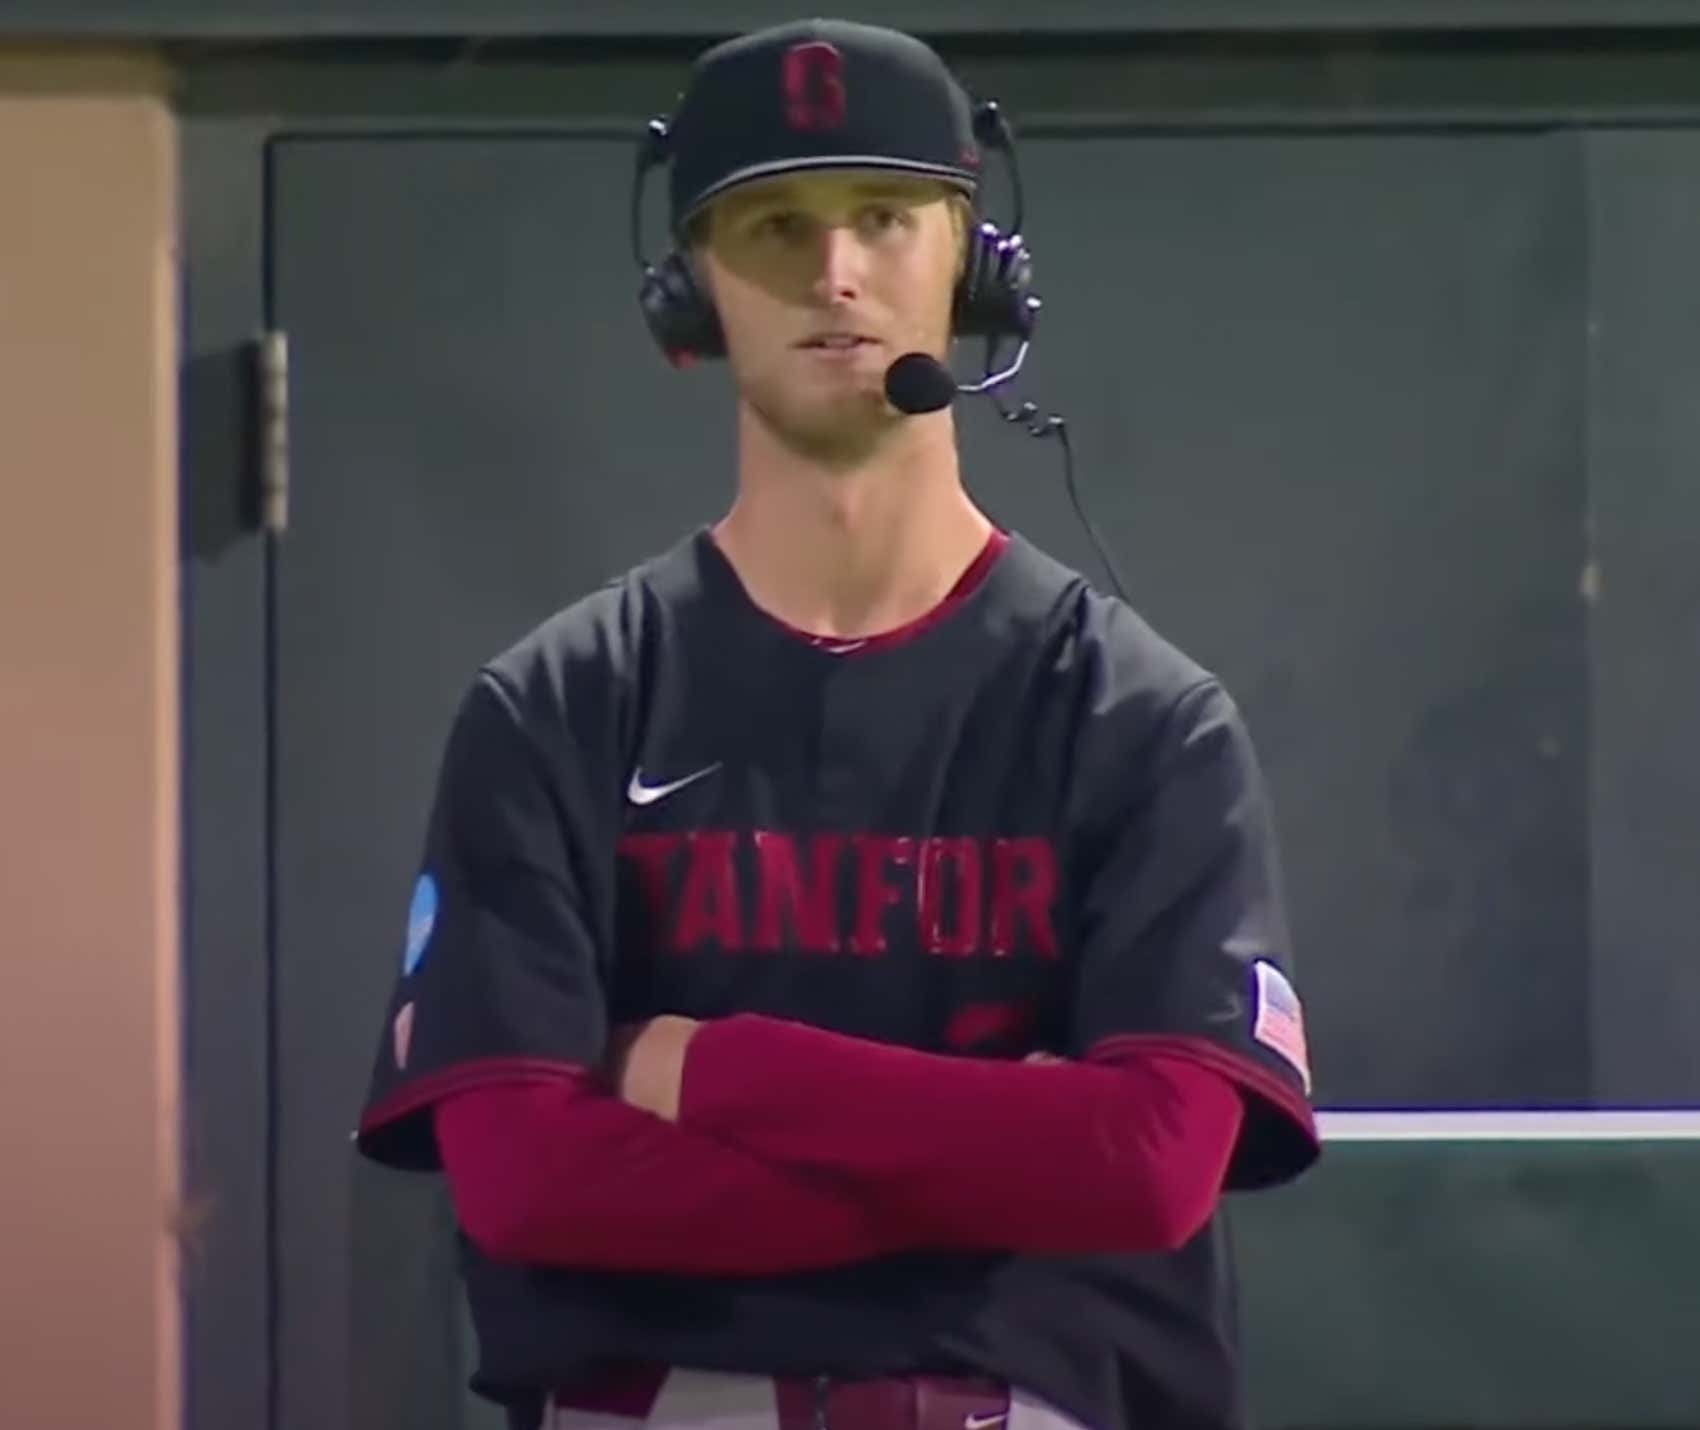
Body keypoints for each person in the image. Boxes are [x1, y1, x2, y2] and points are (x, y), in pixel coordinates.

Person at [354, 18, 1319, 1430]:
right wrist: (1002, 1162)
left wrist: (703, 1067)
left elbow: (1152, 1162)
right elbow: (524, 1177)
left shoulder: (1140, 717)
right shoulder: (556, 703)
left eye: (883, 215)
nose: (835, 272)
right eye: (774, 226)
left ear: (974, 263)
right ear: (690, 292)